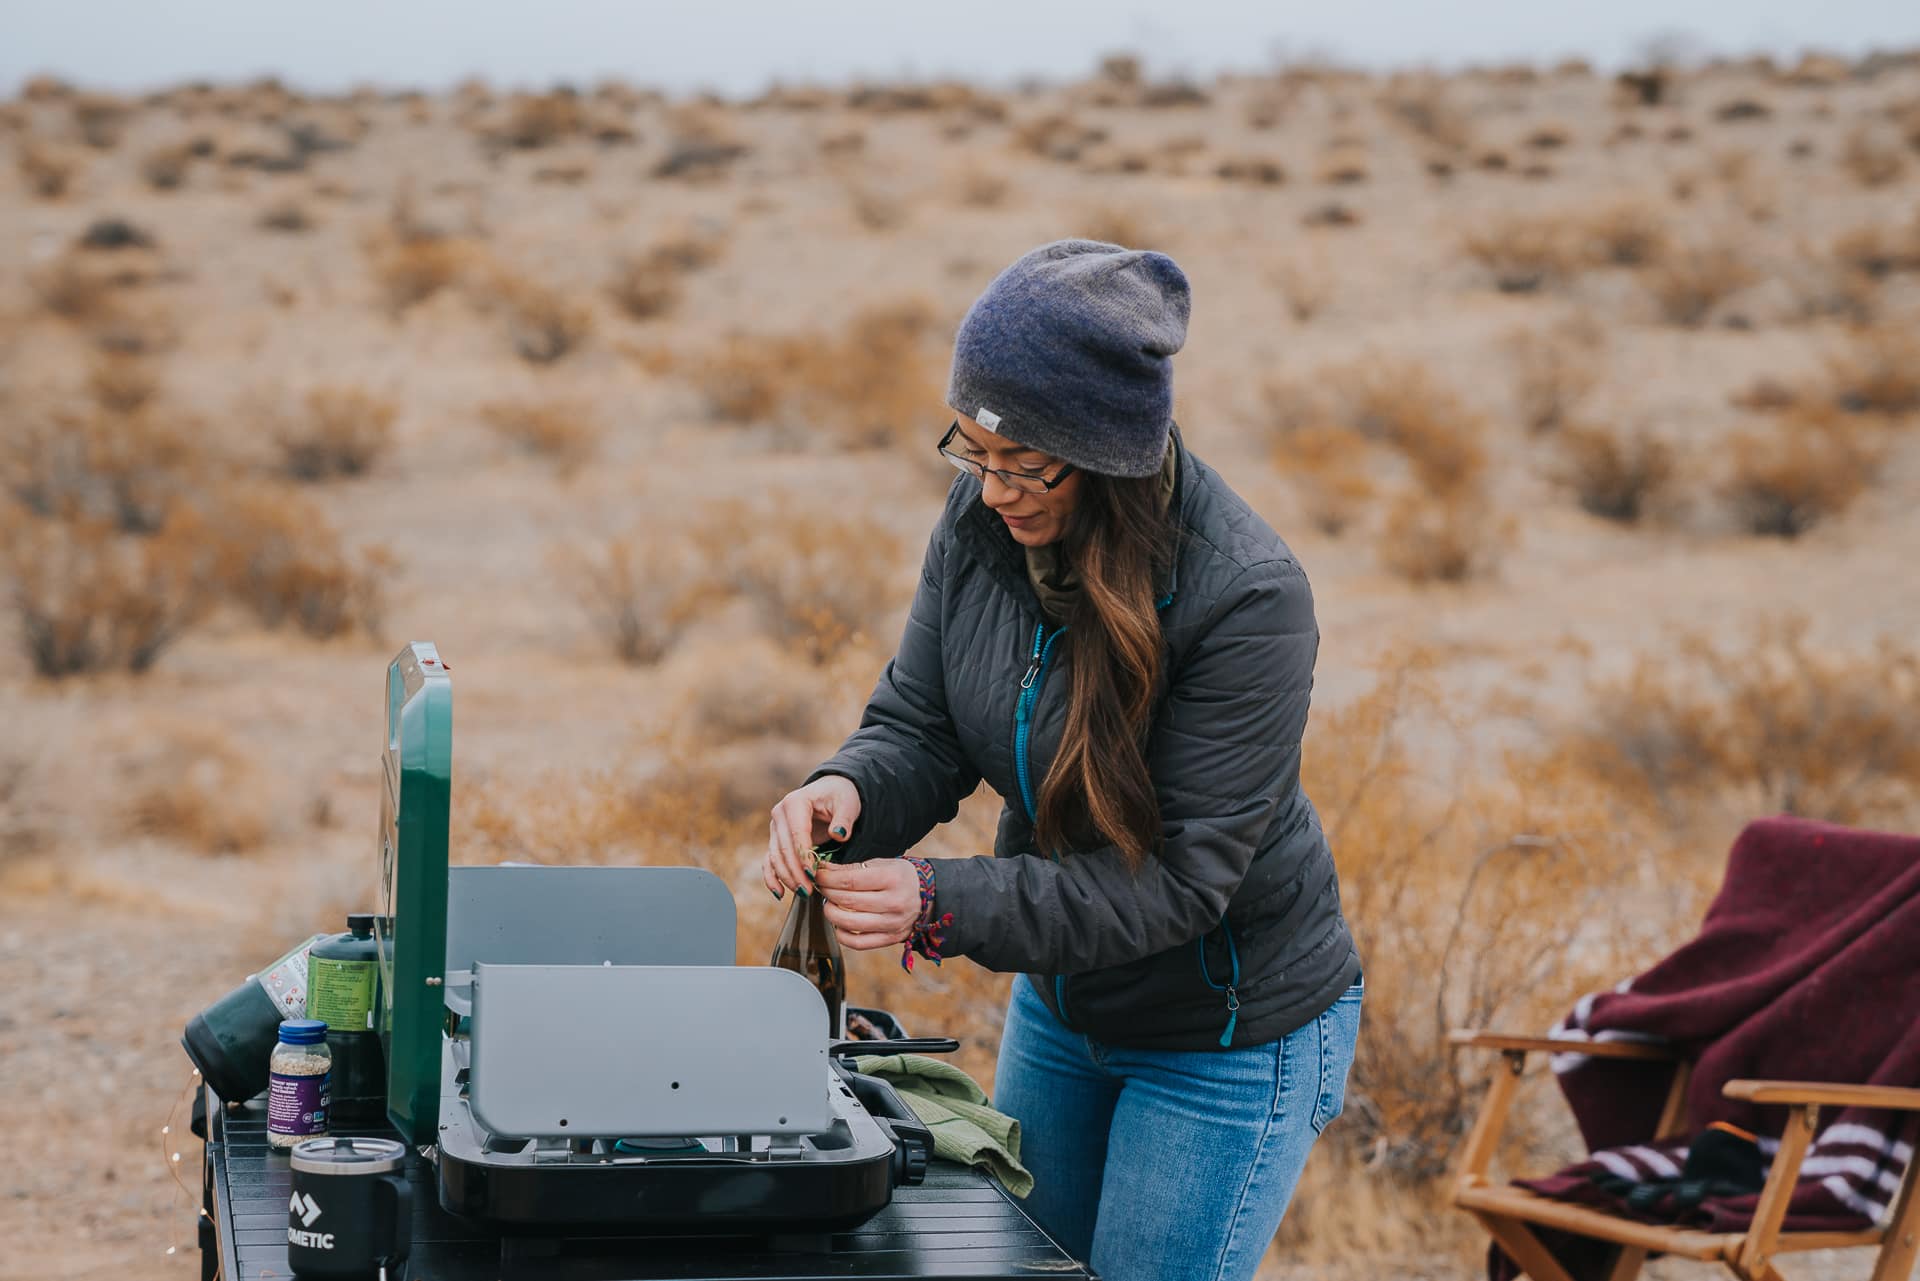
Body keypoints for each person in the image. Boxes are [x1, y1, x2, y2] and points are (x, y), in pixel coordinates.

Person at [762, 239, 1362, 1281]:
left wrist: (936, 901)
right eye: (972, 451)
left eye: (1026, 464)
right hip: (1067, 1001)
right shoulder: (983, 524)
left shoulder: (1248, 597)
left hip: (1223, 1036)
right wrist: (844, 787)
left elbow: (1179, 883)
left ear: (1110, 455)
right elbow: (924, 722)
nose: (993, 490)